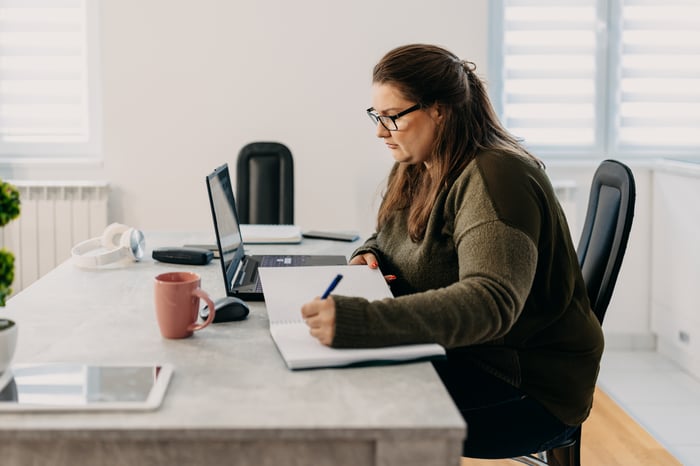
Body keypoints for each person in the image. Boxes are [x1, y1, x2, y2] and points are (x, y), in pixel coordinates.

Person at [300, 43, 603, 459]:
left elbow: (490, 303)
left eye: (392, 117)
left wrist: (361, 321)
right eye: (377, 115)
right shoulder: (417, 163)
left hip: (524, 387)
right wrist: (368, 255)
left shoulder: (497, 177)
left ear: (439, 110)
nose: (380, 130)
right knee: (336, 391)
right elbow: (388, 239)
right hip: (463, 353)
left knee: (350, 411)